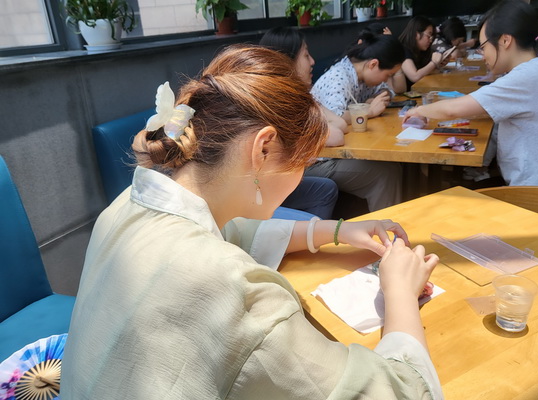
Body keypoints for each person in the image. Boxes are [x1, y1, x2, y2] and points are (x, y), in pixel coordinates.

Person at [61, 45, 442, 399]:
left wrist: (338, 230)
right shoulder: (235, 290)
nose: (301, 175)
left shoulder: (130, 202)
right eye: (303, 162)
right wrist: (399, 292)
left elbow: (233, 233)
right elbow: (397, 392)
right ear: (262, 149)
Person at [404, 0, 538, 189]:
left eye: (483, 47)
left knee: (451, 197)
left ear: (505, 41)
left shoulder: (528, 75)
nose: (483, 55)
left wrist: (418, 111)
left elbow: (453, 110)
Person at [270, 28, 405, 211]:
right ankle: (386, 226)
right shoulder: (284, 99)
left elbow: (340, 123)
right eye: (306, 55)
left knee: (388, 168)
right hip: (305, 165)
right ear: (286, 61)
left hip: (316, 159)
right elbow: (336, 133)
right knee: (385, 172)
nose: (313, 62)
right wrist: (368, 111)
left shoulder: (300, 94)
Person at [398, 15, 445, 91]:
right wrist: (434, 63)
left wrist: (440, 63)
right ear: (416, 34)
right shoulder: (402, 49)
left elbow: (426, 71)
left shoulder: (421, 50)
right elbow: (414, 76)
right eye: (428, 36)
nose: (430, 40)